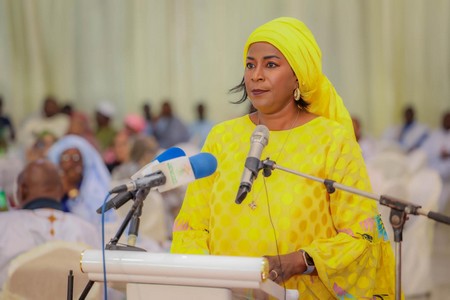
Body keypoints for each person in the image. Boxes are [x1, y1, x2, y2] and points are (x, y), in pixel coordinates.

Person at [171, 17, 395, 299]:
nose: (256, 75)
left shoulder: (332, 140)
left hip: (300, 291)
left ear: (298, 76)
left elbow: (360, 236)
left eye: (271, 64)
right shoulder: (221, 136)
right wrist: (207, 277)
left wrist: (300, 260)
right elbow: (191, 224)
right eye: (250, 64)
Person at [0, 159, 101, 287]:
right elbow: (105, 290)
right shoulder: (87, 230)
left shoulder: (3, 226)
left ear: (22, 190)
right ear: (60, 190)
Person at [47, 134, 117, 226]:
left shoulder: (94, 189)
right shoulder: (52, 187)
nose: (71, 163)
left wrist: (72, 191)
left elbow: (92, 222)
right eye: (65, 158)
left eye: (76, 158)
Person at [421, 111, 450, 212]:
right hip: (434, 174)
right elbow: (425, 151)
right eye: (445, 119)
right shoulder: (435, 134)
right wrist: (438, 153)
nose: (447, 121)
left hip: (447, 180)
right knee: (432, 202)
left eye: (449, 119)